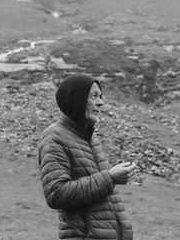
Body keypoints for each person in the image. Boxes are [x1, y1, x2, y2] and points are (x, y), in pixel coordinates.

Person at [37, 74, 137, 240]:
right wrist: (110, 177)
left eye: (101, 96)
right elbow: (56, 194)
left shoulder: (89, 136)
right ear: (76, 99)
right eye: (94, 96)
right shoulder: (54, 138)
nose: (100, 102)